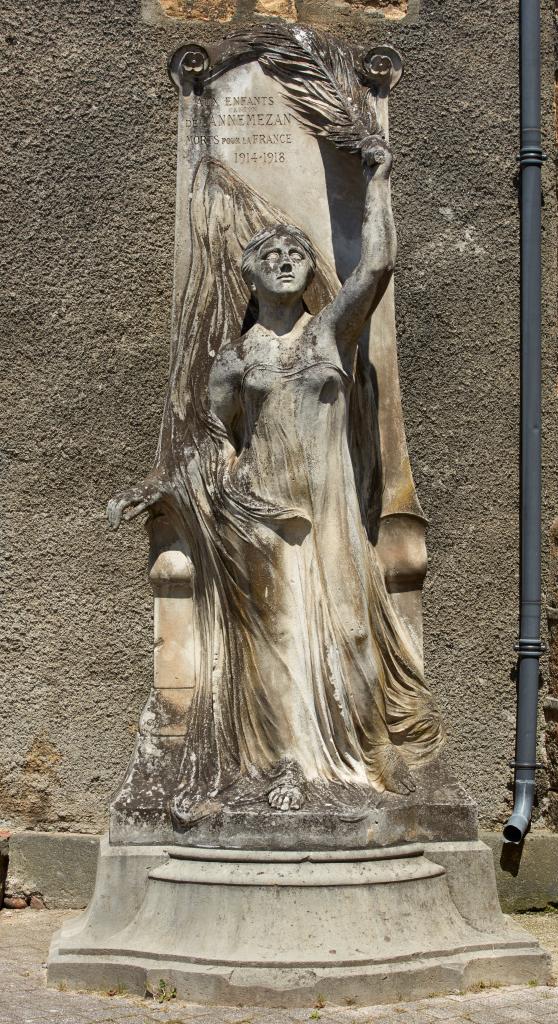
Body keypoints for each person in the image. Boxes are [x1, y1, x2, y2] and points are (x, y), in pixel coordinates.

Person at [108, 137, 443, 823]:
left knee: (347, 631)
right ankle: (280, 764)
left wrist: (377, 180)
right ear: (250, 274)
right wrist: (196, 488)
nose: (287, 264)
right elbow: (214, 437)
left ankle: (362, 752)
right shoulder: (235, 361)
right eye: (272, 257)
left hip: (331, 515)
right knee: (277, 644)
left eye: (295, 255)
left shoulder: (328, 337)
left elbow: (376, 266)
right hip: (263, 519)